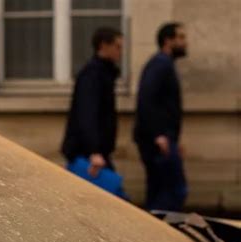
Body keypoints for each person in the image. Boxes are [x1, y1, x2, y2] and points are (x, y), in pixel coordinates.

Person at [61, 27, 126, 198]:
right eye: (118, 47)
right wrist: (94, 151)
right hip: (89, 154)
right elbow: (87, 114)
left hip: (95, 152)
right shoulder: (93, 74)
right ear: (104, 45)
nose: (121, 52)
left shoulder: (103, 73)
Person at [133, 22, 188, 211]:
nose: (185, 43)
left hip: (162, 138)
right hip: (158, 141)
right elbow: (146, 99)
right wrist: (159, 135)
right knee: (174, 191)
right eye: (180, 38)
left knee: (158, 191)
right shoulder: (160, 64)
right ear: (168, 41)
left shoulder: (163, 65)